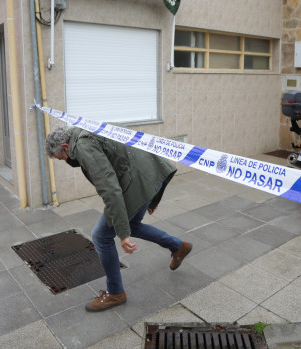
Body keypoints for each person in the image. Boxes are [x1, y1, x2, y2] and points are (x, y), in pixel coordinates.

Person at [45, 126, 192, 312]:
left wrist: (123, 235)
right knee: (132, 224)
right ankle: (178, 246)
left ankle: (115, 293)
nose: (66, 161)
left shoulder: (83, 145)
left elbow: (109, 187)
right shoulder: (86, 130)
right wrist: (154, 196)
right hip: (148, 177)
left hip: (139, 182)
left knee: (101, 236)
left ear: (66, 145)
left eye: (63, 157)